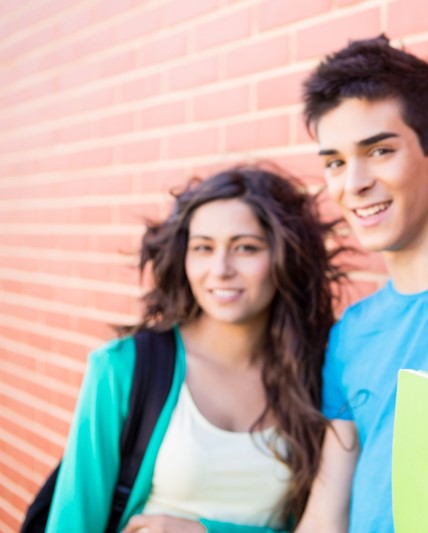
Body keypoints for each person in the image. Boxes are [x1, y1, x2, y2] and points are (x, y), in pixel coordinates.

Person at [46, 166, 344, 533]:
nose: (220, 269)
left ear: (285, 257)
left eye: (245, 247)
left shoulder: (313, 377)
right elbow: (72, 523)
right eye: (203, 248)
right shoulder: (124, 368)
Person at [295, 35, 428, 533]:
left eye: (379, 150)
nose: (354, 183)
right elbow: (328, 510)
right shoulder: (352, 331)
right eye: (335, 163)